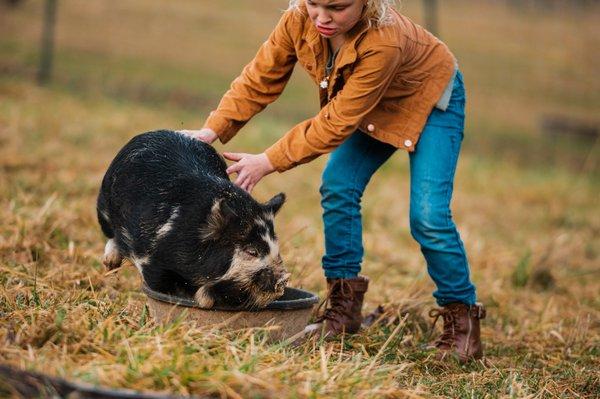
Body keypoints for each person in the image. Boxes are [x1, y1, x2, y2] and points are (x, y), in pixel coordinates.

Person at [179, 0, 485, 362]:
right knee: (338, 184)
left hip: (432, 100)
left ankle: (463, 326)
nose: (322, 17)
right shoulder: (297, 20)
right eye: (314, 4)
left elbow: (336, 123)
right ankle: (343, 311)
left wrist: (268, 161)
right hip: (370, 101)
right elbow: (260, 76)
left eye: (337, 7)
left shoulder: (385, 41)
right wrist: (212, 129)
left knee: (428, 217)